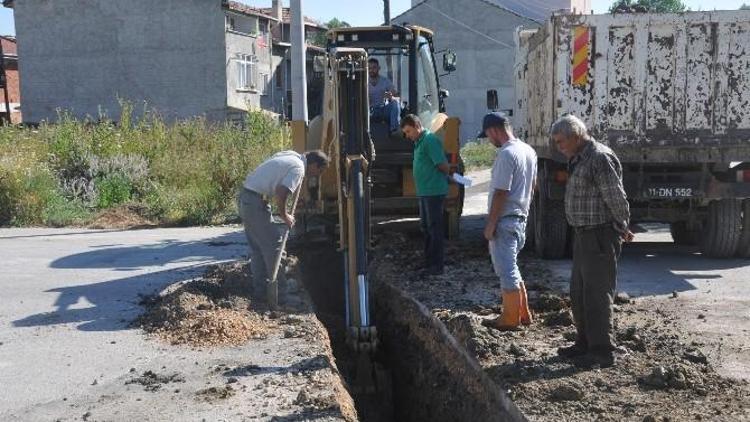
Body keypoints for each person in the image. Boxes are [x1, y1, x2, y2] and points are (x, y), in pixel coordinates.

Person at [550, 114, 634, 367]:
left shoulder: (599, 157)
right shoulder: (578, 158)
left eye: (561, 141)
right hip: (583, 235)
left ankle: (602, 351)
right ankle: (584, 343)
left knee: (597, 294)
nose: (558, 146)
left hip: (599, 235)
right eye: (556, 142)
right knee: (579, 292)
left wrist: (622, 226)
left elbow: (615, 197)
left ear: (576, 136)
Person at [238, 150, 330, 295]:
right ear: (313, 164)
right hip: (255, 202)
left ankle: (261, 291)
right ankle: (281, 293)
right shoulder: (298, 168)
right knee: (275, 245)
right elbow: (281, 192)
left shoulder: (291, 155)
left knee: (258, 248)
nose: (317, 175)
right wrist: (285, 215)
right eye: (319, 170)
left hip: (247, 197)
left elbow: (277, 182)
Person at [478, 112, 537, 332]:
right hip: (520, 218)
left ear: (493, 130)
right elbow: (532, 188)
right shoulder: (528, 151)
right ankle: (523, 313)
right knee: (512, 266)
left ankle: (510, 317)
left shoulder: (506, 154)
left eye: (487, 135)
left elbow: (501, 192)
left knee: (506, 270)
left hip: (505, 219)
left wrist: (490, 224)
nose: (489, 140)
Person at [401, 114, 451, 276]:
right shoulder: (419, 142)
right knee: (427, 228)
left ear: (416, 126)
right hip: (425, 192)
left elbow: (442, 164)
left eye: (408, 131)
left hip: (434, 191)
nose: (407, 136)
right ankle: (429, 262)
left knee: (434, 229)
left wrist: (448, 176)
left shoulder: (429, 140)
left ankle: (436, 266)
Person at [368, 57, 401, 134]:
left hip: (382, 109)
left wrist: (391, 97)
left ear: (378, 68)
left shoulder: (385, 81)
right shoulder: (362, 81)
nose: (371, 70)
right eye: (369, 68)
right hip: (367, 111)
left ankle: (394, 129)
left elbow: (396, 96)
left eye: (374, 68)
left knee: (395, 103)